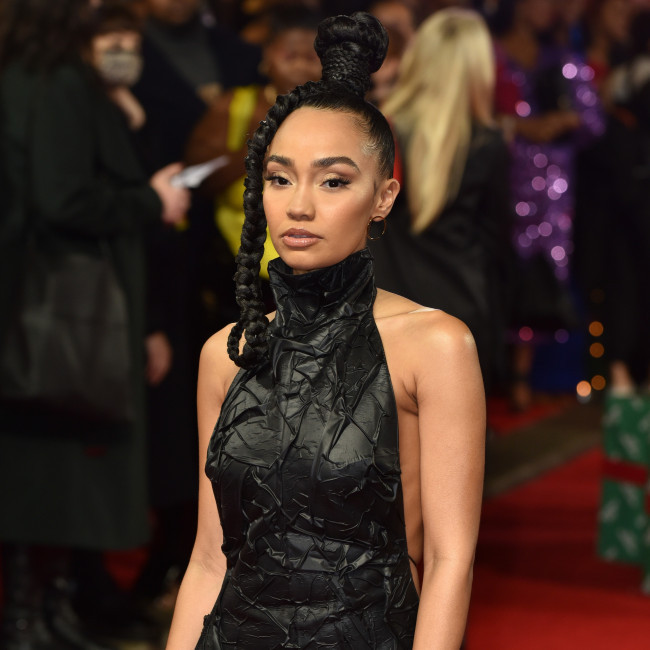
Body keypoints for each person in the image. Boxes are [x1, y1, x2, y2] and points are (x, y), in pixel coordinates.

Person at [167, 12, 485, 649]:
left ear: (383, 197)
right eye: (279, 178)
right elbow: (207, 558)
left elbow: (451, 560)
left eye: (333, 181)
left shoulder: (435, 346)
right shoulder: (228, 354)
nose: (299, 205)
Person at [0, 0, 189, 647]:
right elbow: (63, 198)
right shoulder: (54, 82)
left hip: (40, 303)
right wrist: (151, 200)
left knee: (45, 465)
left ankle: (44, 612)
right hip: (58, 308)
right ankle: (32, 616)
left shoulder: (32, 74)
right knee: (45, 466)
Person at [370, 8, 512, 388]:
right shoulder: (488, 144)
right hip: (459, 312)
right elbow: (497, 243)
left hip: (386, 307)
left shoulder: (378, 130)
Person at [492, 0, 604, 410]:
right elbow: (473, 115)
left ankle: (524, 374)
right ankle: (494, 371)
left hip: (553, 187)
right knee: (500, 269)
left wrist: (564, 121)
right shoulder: (490, 53)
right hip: (501, 178)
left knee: (543, 275)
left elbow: (594, 121)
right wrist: (521, 127)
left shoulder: (562, 58)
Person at [185, 4, 322, 282]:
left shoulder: (342, 115)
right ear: (266, 56)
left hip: (321, 268)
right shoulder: (236, 107)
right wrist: (258, 150)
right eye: (290, 56)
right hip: (242, 270)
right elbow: (195, 180)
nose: (300, 66)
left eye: (311, 57)